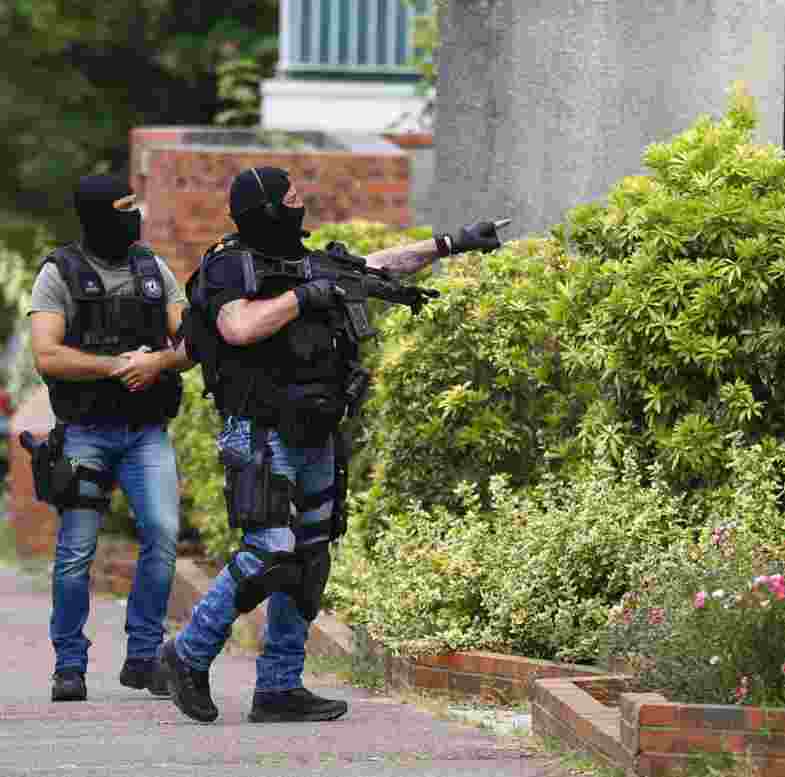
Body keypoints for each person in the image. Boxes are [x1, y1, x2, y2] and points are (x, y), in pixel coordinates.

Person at [161, 166, 502, 724]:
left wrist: (452, 243)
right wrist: (304, 298)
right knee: (269, 550)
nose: (302, 204)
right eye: (291, 198)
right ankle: (188, 653)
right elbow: (237, 328)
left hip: (315, 430)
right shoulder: (228, 265)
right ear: (267, 208)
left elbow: (376, 266)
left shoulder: (307, 261)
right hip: (260, 431)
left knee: (308, 560)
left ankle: (278, 689)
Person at [27, 174, 195, 702]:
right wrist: (115, 367)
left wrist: (159, 362)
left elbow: (190, 339)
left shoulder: (153, 268)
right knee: (76, 553)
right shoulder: (59, 272)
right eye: (124, 207)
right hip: (84, 435)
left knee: (164, 536)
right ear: (97, 214)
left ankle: (143, 658)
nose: (134, 216)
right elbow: (47, 354)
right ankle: (69, 666)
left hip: (147, 433)